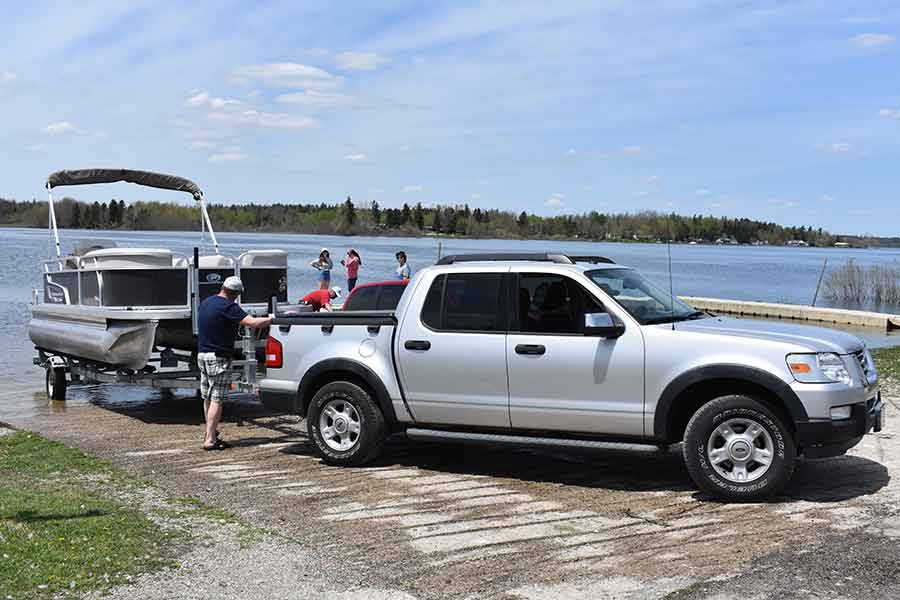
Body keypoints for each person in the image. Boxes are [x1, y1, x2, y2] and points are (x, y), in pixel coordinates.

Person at [197, 276, 271, 451]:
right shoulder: (229, 306)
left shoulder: (207, 302)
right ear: (236, 293)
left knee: (207, 397)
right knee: (217, 399)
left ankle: (210, 433)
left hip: (202, 355)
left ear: (222, 287)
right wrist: (272, 319)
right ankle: (210, 440)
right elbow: (252, 323)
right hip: (219, 358)